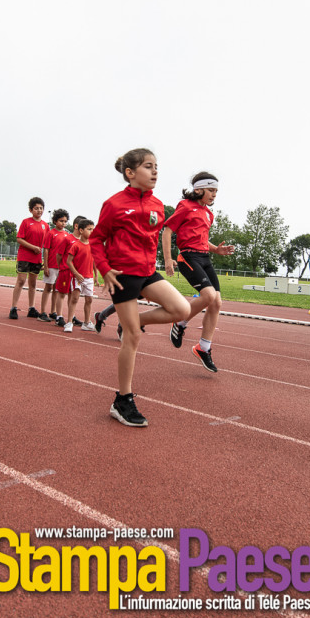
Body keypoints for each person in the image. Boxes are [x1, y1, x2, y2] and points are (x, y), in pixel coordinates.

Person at [91, 148, 191, 427]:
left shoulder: (158, 205)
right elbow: (96, 240)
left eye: (157, 166)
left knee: (181, 309)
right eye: (149, 166)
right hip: (122, 274)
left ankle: (130, 323)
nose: (155, 171)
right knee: (134, 338)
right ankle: (122, 400)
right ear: (130, 173)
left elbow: (152, 240)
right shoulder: (113, 204)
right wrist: (104, 268)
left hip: (147, 272)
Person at [161, 172, 236, 373]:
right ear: (198, 189)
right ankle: (180, 322)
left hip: (204, 258)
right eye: (211, 190)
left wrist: (217, 250)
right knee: (208, 295)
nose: (214, 195)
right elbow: (167, 230)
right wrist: (168, 259)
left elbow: (202, 240)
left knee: (217, 302)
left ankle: (203, 348)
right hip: (188, 257)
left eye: (216, 192)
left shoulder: (208, 213)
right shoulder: (185, 206)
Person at [9, 197, 47, 320]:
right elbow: (19, 239)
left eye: (41, 208)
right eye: (36, 208)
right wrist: (33, 247)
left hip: (36, 259)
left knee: (33, 283)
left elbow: (46, 245)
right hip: (24, 256)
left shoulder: (45, 226)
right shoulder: (26, 222)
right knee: (20, 281)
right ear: (31, 210)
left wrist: (44, 260)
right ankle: (13, 308)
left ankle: (31, 308)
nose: (39, 210)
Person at [60, 216, 100, 333]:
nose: (92, 232)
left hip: (89, 278)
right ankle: (69, 322)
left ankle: (87, 323)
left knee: (89, 300)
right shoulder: (76, 245)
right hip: (77, 278)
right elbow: (68, 261)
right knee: (74, 299)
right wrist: (76, 274)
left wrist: (96, 277)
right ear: (81, 230)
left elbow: (94, 262)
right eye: (89, 229)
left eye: (93, 229)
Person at [38, 209, 70, 322]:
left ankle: (53, 311)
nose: (63, 223)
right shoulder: (51, 233)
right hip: (51, 265)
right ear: (55, 221)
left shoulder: (67, 234)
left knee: (57, 289)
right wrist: (45, 266)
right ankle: (42, 312)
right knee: (48, 288)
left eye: (65, 221)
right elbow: (46, 250)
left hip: (60, 267)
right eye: (61, 221)